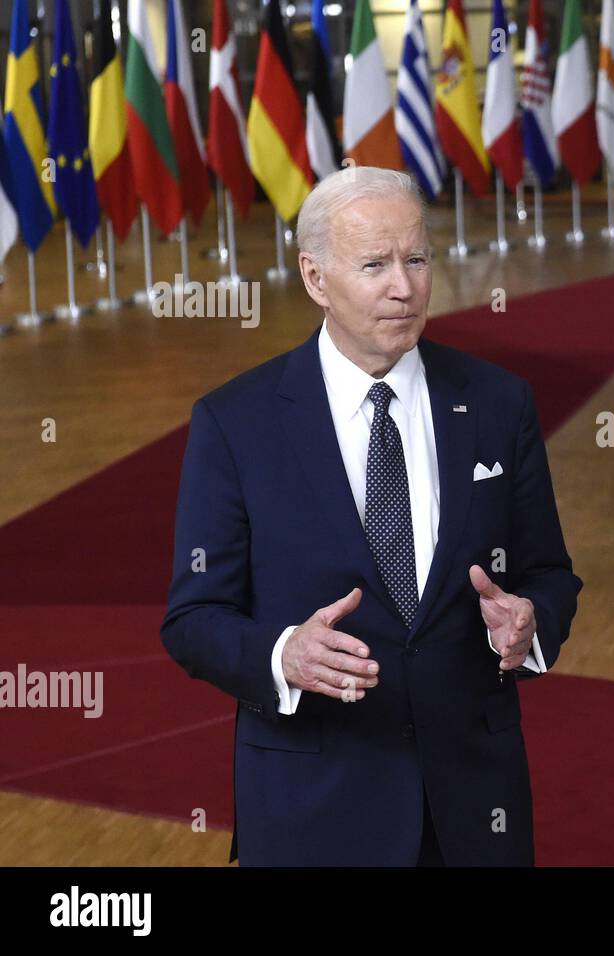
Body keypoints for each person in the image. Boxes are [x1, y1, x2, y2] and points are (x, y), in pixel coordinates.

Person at [161, 166, 581, 866]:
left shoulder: (499, 404)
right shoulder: (236, 423)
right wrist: (282, 655)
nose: (405, 286)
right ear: (316, 278)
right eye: (376, 265)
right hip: (313, 807)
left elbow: (548, 573)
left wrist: (531, 622)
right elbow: (193, 618)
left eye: (416, 259)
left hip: (475, 808)